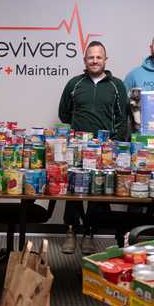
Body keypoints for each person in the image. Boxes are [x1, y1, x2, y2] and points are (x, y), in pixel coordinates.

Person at [58, 41, 129, 254]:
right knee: (73, 189)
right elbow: (64, 114)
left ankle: (89, 233)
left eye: (99, 57)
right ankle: (71, 231)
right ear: (85, 60)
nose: (95, 61)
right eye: (91, 57)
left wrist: (112, 145)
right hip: (77, 148)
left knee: (97, 191)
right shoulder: (74, 84)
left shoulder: (117, 85)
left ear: (105, 60)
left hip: (104, 149)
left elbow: (122, 118)